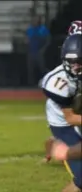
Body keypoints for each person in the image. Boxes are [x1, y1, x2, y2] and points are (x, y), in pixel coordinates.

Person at [41, 34, 82, 192]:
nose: (76, 67)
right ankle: (61, 148)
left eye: (80, 62)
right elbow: (70, 118)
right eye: (72, 62)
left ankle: (55, 146)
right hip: (63, 123)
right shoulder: (57, 82)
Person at [43, 20, 82, 163]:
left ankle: (56, 143)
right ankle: (57, 146)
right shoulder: (59, 81)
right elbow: (70, 117)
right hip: (62, 117)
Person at [26, 15, 50, 86]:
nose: (34, 21)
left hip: (40, 52)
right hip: (31, 52)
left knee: (42, 68)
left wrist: (43, 49)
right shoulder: (30, 29)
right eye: (34, 20)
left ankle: (45, 82)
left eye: (36, 20)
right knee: (30, 69)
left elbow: (48, 40)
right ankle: (31, 85)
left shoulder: (43, 29)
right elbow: (27, 40)